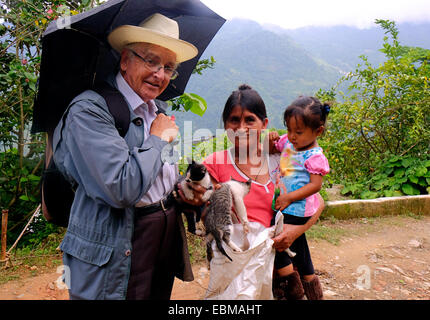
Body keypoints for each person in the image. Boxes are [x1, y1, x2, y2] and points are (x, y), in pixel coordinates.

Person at [52, 13, 205, 300]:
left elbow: (161, 175)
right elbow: (120, 187)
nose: (160, 74)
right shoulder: (89, 111)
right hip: (116, 241)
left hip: (162, 236)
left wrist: (185, 191)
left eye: (168, 67)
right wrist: (158, 139)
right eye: (150, 60)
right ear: (125, 60)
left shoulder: (156, 110)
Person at [202, 85, 325, 299]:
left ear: (264, 124)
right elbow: (207, 214)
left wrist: (294, 232)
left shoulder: (278, 158)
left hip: (282, 271)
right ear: (225, 125)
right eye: (233, 120)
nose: (241, 127)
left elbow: (318, 201)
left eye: (250, 120)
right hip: (236, 268)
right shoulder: (215, 163)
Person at [270, 95, 330, 300]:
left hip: (298, 209)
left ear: (318, 131)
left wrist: (289, 198)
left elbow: (316, 185)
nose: (292, 136)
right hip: (287, 207)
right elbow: (275, 147)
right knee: (299, 246)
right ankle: (311, 284)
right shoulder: (288, 142)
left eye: (299, 132)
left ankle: (291, 286)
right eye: (288, 129)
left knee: (276, 241)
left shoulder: (314, 156)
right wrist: (272, 139)